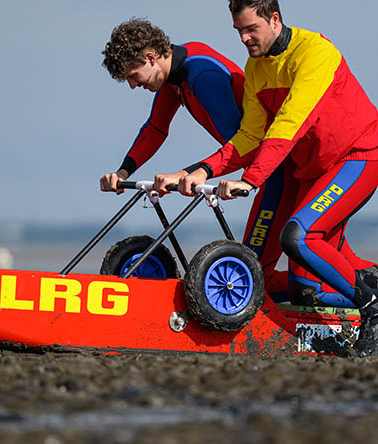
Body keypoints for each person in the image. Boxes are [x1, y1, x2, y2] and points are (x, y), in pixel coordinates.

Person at [155, 0, 378, 356]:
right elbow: (250, 134)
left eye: (251, 29)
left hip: (353, 161)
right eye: (239, 31)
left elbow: (288, 126)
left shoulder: (315, 54)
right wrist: (201, 170)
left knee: (298, 238)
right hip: (311, 173)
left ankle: (377, 312)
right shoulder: (257, 68)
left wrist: (250, 180)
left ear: (274, 19)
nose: (245, 39)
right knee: (317, 279)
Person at [99, 18, 298, 297]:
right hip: (269, 172)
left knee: (252, 277)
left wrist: (186, 173)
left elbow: (244, 146)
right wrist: (123, 172)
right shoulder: (175, 76)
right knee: (256, 273)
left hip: (282, 172)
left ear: (150, 58)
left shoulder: (202, 76)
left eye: (133, 75)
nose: (133, 85)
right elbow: (156, 129)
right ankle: (360, 284)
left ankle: (354, 290)